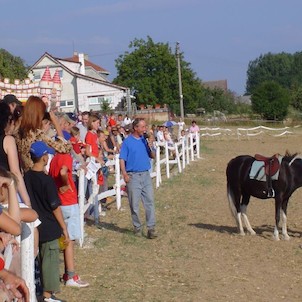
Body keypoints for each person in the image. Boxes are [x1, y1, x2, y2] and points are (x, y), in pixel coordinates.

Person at [24, 141, 69, 302]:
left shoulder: (26, 177)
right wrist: (64, 228)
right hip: (49, 226)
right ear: (44, 158)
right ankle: (48, 296)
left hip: (33, 226)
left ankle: (39, 290)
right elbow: (55, 206)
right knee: (49, 262)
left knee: (37, 261)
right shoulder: (47, 180)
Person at [49, 149, 89, 288]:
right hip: (68, 202)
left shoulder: (54, 158)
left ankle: (66, 273)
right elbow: (63, 172)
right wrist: (66, 184)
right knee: (70, 240)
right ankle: (70, 275)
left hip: (58, 202)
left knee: (62, 238)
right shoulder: (65, 157)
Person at [119, 118, 157, 239]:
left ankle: (151, 228)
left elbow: (153, 156)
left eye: (145, 126)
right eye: (142, 127)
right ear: (135, 128)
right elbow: (122, 159)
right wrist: (124, 174)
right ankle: (137, 227)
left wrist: (150, 145)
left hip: (145, 174)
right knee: (134, 204)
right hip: (133, 176)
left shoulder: (144, 141)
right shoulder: (127, 142)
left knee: (149, 202)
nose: (144, 129)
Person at [16, 95, 72, 173]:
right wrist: (56, 123)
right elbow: (65, 148)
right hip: (37, 175)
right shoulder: (37, 133)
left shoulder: (18, 132)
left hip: (25, 176)